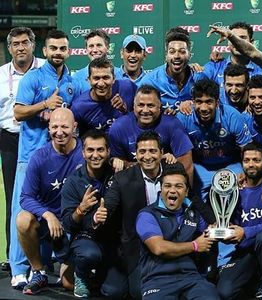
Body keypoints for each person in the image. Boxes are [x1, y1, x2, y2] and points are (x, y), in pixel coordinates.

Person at [10, 29, 78, 289]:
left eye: (63, 48)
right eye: (53, 48)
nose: (58, 53)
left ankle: (45, 266)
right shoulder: (33, 78)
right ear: (45, 51)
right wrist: (44, 105)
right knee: (24, 211)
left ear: (68, 51)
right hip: (31, 156)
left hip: (61, 157)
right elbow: (17, 112)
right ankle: (19, 269)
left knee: (56, 212)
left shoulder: (73, 81)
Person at [16, 108, 84, 295]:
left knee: (69, 284)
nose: (59, 132)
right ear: (48, 127)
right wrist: (48, 215)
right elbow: (25, 197)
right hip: (48, 223)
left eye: (64, 126)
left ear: (75, 127)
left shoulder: (86, 153)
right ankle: (39, 272)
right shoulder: (40, 156)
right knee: (23, 219)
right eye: (54, 126)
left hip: (76, 223)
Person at [100, 131, 170, 299]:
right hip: (136, 246)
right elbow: (109, 203)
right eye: (142, 152)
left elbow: (193, 200)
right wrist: (101, 213)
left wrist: (212, 221)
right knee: (120, 292)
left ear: (162, 153)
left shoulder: (173, 173)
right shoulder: (123, 178)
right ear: (136, 154)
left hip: (168, 241)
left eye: (152, 151)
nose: (147, 156)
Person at [136, 163, 219, 300]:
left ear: (186, 191)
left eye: (178, 186)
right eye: (167, 186)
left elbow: (208, 234)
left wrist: (217, 231)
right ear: (161, 189)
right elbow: (159, 248)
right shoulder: (147, 215)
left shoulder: (193, 214)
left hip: (191, 278)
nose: (172, 190)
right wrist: (195, 246)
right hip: (157, 279)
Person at [217, 143, 262, 300]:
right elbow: (233, 226)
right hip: (248, 251)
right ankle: (255, 281)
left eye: (256, 160)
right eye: (247, 160)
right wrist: (224, 232)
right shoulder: (235, 192)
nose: (251, 164)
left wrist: (247, 232)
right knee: (225, 291)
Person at [0, 26, 45, 271]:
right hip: (10, 139)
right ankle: (12, 256)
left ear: (33, 45)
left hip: (41, 138)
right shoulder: (0, 75)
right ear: (9, 49)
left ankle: (46, 254)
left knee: (45, 195)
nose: (20, 47)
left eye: (24, 42)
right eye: (15, 44)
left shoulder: (46, 68)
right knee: (14, 198)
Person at [60, 129, 117, 298]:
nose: (95, 155)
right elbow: (68, 225)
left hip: (113, 239)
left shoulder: (118, 175)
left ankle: (98, 273)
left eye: (100, 150)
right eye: (90, 150)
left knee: (113, 291)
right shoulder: (73, 181)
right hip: (85, 238)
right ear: (83, 152)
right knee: (89, 254)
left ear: (108, 152)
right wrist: (81, 209)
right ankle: (80, 274)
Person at [176, 78, 252, 200]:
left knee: (245, 191)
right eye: (199, 102)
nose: (204, 108)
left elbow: (248, 150)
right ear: (193, 102)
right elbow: (183, 157)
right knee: (194, 199)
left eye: (209, 102)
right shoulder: (183, 118)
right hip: (200, 167)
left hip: (230, 165)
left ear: (217, 102)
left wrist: (245, 172)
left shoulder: (232, 116)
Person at [108, 84, 194, 181]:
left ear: (159, 106)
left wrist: (186, 194)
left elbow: (186, 164)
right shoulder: (118, 127)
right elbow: (118, 163)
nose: (145, 110)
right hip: (133, 181)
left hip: (166, 182)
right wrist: (157, 162)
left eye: (150, 105)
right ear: (133, 106)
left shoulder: (173, 124)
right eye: (141, 105)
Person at [204, 22, 262, 105]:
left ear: (252, 42)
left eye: (242, 38)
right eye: (234, 38)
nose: (237, 42)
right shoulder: (214, 67)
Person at [140, 32, 208, 111]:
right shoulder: (150, 81)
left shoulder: (200, 78)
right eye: (172, 52)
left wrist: (193, 104)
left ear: (189, 55)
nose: (177, 56)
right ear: (166, 55)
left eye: (182, 52)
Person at [71, 56, 136, 135]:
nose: (101, 84)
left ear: (114, 79)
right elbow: (76, 138)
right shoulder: (79, 107)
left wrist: (125, 111)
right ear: (89, 80)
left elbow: (143, 118)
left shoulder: (128, 88)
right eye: (96, 78)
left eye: (106, 78)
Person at [71, 29, 121, 95]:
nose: (95, 50)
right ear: (86, 49)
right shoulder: (77, 78)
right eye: (91, 46)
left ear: (108, 47)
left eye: (99, 45)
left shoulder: (120, 74)